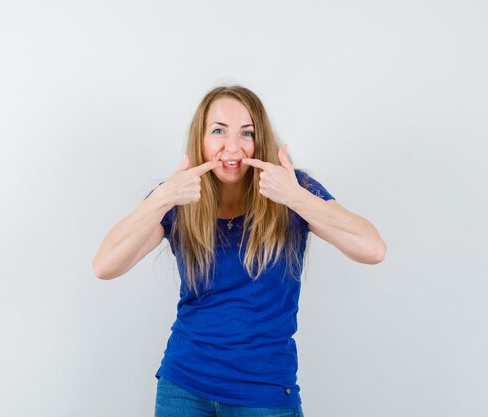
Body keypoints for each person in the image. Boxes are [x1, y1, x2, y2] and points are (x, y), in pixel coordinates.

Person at [92, 85, 386, 417]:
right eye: (219, 131)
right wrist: (162, 198)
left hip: (264, 392)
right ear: (200, 139)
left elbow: (372, 248)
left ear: (260, 140)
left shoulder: (292, 189)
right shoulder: (178, 198)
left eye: (246, 133)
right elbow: (105, 266)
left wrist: (296, 197)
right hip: (183, 388)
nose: (232, 146)